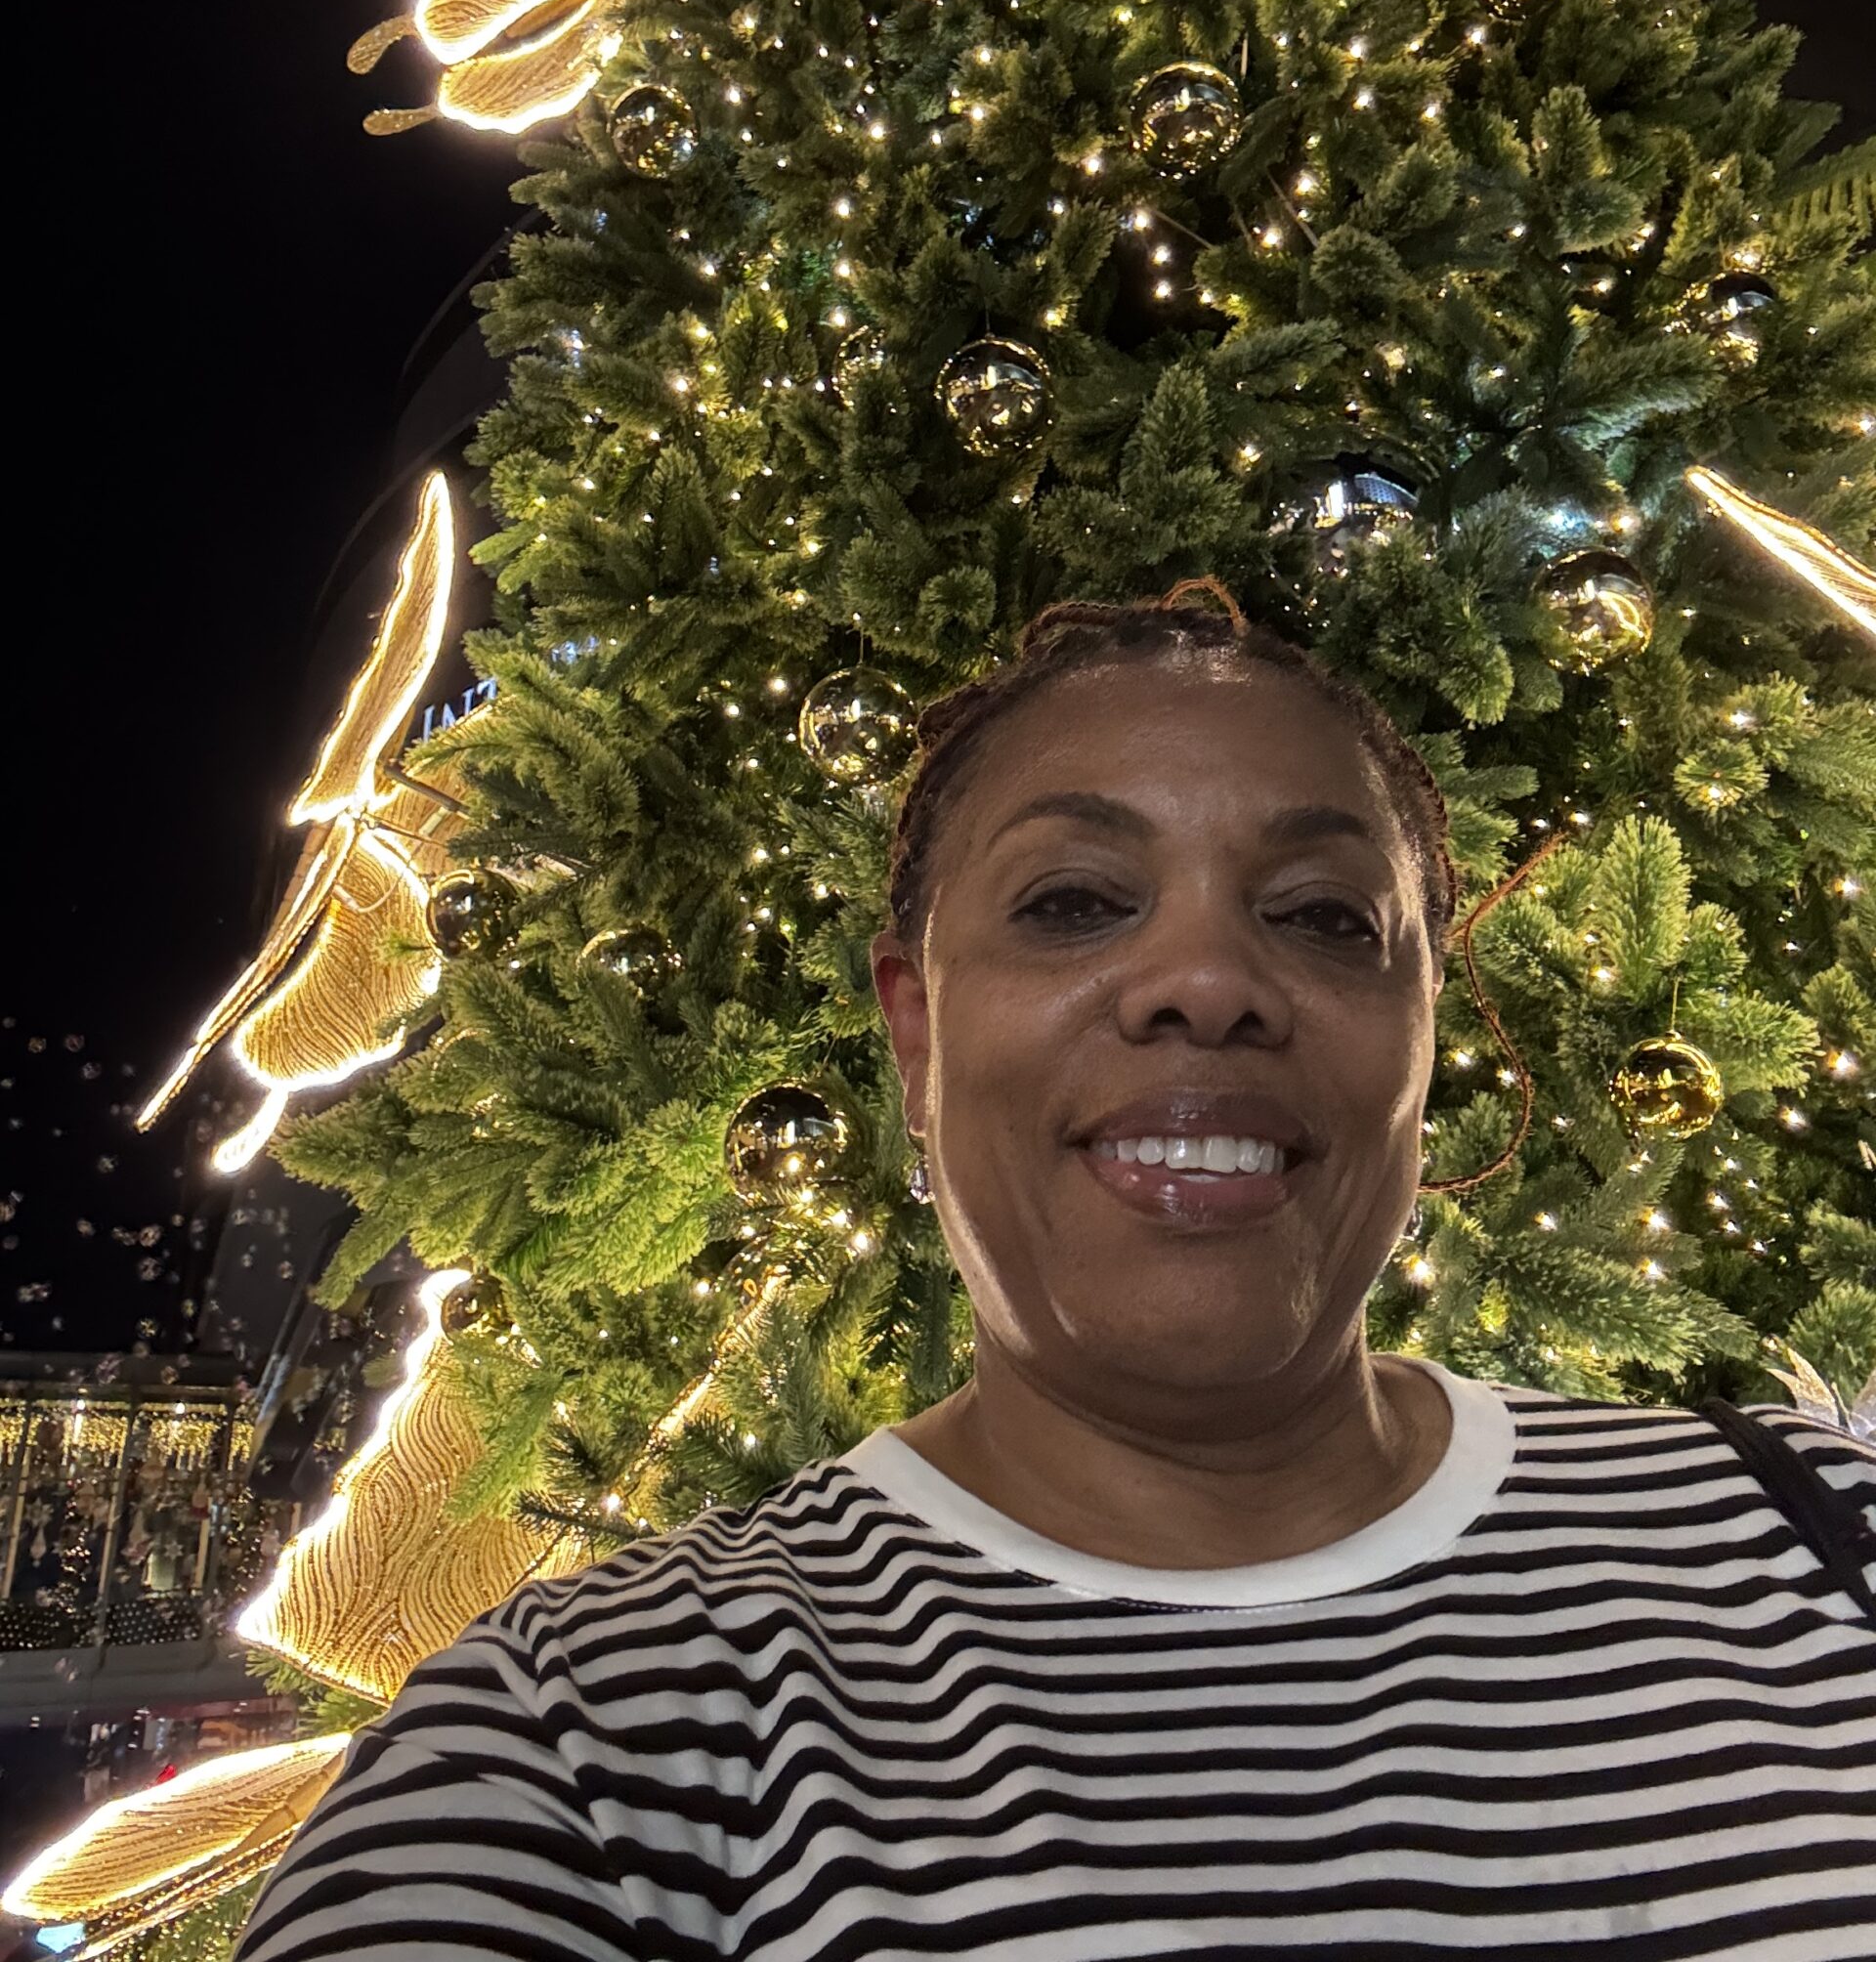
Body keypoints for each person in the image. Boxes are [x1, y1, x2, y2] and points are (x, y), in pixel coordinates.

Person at [237, 586, 1875, 1961]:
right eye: (1077, 901)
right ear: (916, 1031)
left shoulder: (1818, 1534)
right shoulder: (588, 1744)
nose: (1207, 980)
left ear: (1425, 1033)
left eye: (1324, 917)